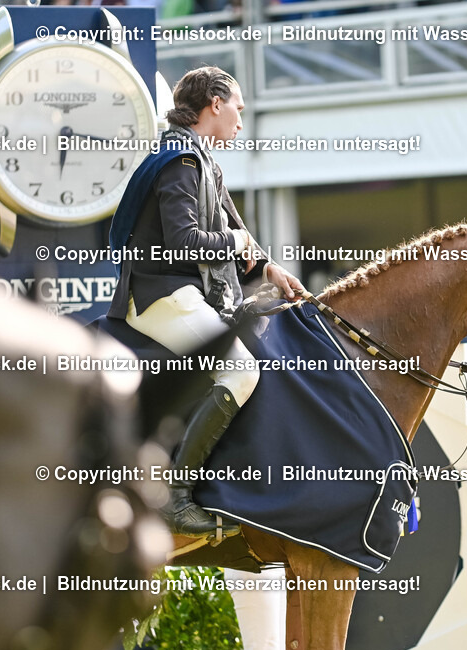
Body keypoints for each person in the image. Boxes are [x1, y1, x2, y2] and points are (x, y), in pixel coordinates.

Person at [106, 66, 303, 538]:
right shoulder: (181, 162)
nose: (240, 119)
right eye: (237, 107)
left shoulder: (202, 161)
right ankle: (174, 496)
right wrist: (236, 244)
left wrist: (268, 267)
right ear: (215, 104)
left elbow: (238, 233)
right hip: (162, 296)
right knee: (241, 370)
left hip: (187, 294)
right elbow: (186, 243)